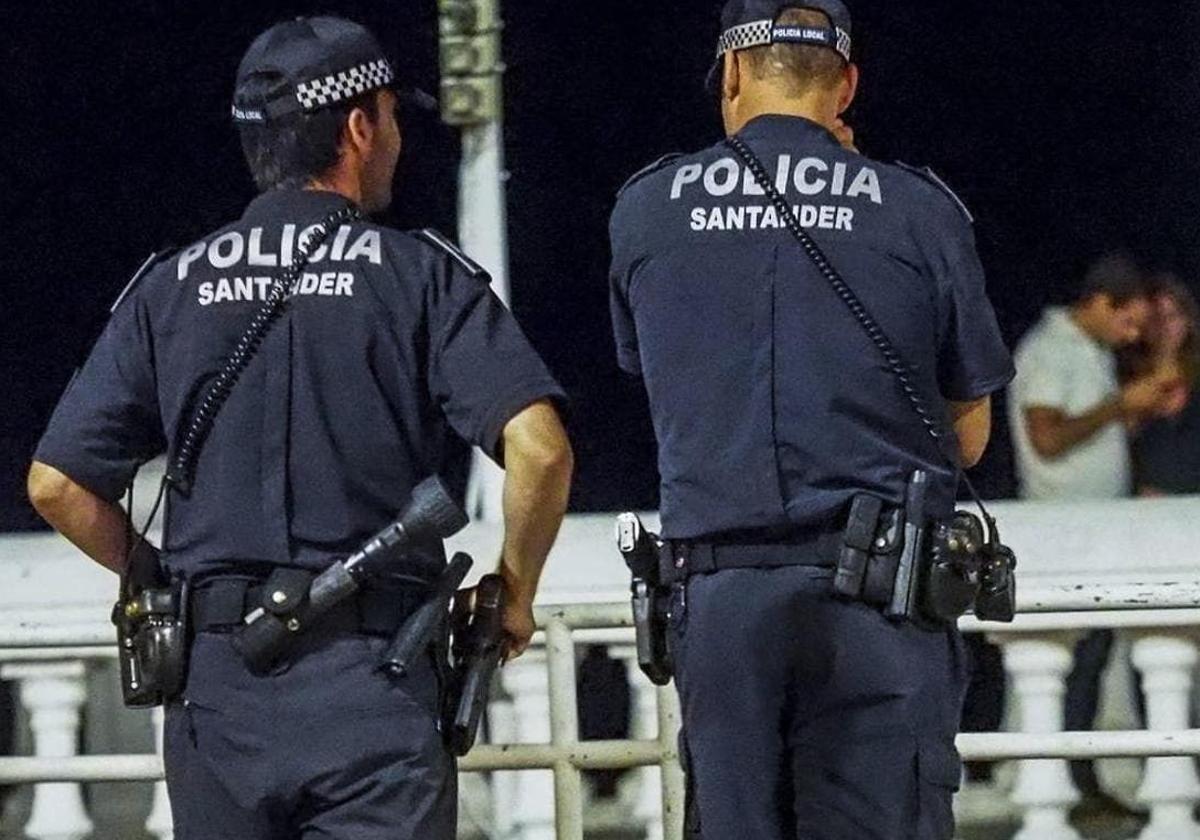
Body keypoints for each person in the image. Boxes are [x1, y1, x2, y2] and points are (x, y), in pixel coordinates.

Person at [26, 17, 572, 840]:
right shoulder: (419, 276)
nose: (395, 138)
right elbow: (541, 449)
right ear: (358, 127)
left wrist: (160, 577)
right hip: (374, 691)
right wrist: (514, 592)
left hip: (216, 696)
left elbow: (56, 485)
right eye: (390, 115)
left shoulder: (170, 286)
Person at [609, 2, 1014, 837]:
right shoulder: (919, 211)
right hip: (880, 613)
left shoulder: (646, 210)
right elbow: (968, 438)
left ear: (730, 74)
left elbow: (661, 383)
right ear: (847, 85)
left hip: (720, 609)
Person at [1008, 253, 1173, 824]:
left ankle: (1083, 782)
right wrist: (1116, 407)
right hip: (1065, 537)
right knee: (1076, 666)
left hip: (1097, 533)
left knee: (1093, 664)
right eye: (1128, 321)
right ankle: (1074, 786)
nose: (1132, 335)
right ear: (1102, 302)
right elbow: (1047, 439)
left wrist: (1126, 411)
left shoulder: (1089, 351)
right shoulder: (1051, 351)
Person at [1123, 275, 1200, 495]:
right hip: (1147, 507)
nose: (1165, 327)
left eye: (1172, 316)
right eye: (1155, 319)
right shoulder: (1126, 378)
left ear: (1187, 320)